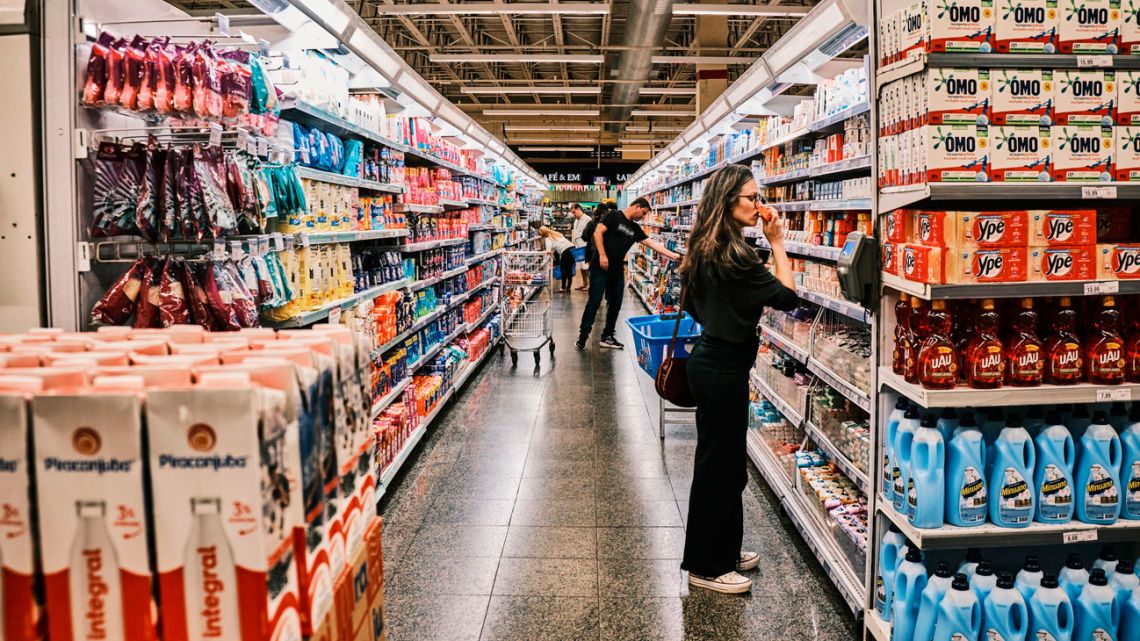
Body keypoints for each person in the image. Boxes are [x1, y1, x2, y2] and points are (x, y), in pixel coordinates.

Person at [678, 164, 798, 595]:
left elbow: (691, 304)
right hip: (723, 368)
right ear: (730, 201)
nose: (760, 205)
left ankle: (725, 549)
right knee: (719, 468)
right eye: (753, 197)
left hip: (711, 362)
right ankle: (706, 566)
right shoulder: (737, 256)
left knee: (726, 466)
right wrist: (778, 243)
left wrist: (722, 319)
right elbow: (786, 296)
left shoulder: (704, 247)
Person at [576, 197, 680, 351]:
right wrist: (603, 255)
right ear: (637, 206)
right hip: (600, 267)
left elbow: (652, 243)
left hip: (617, 270)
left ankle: (608, 336)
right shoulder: (613, 216)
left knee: (616, 304)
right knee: (594, 301)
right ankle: (582, 336)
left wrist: (675, 256)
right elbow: (598, 233)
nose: (643, 217)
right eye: (643, 213)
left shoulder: (635, 229)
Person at [538, 226, 577, 292]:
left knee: (563, 270)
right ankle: (568, 287)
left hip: (566, 251)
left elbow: (548, 254)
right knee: (569, 270)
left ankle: (563, 288)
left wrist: (542, 265)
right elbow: (555, 247)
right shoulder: (557, 233)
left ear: (543, 234)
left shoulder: (548, 239)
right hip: (573, 248)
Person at [570, 204, 591, 291]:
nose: (573, 214)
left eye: (574, 212)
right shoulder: (575, 221)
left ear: (579, 209)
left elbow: (590, 233)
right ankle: (584, 283)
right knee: (581, 266)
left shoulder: (587, 219)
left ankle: (590, 284)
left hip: (585, 246)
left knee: (586, 266)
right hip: (577, 247)